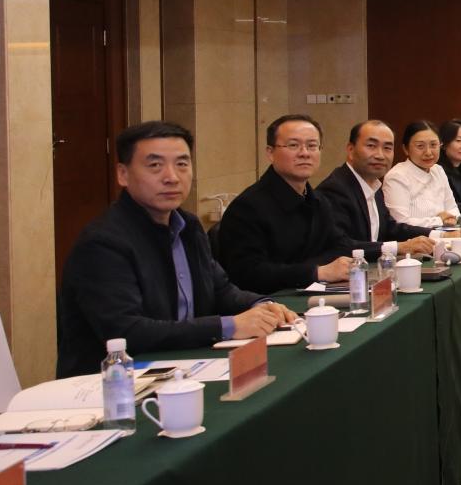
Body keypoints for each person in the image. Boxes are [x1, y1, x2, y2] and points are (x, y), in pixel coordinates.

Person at [56, 121, 296, 376]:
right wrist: (228, 326)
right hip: (116, 385)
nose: (171, 177)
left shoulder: (187, 225)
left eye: (182, 164)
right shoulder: (103, 243)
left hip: (186, 367)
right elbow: (127, 331)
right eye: (155, 166)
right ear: (123, 174)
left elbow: (221, 291)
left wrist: (261, 305)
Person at [213, 114, 356, 293]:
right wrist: (317, 272)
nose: (304, 153)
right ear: (270, 153)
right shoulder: (247, 207)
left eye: (312, 146)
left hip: (312, 295)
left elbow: (339, 246)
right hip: (266, 303)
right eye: (293, 145)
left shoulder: (318, 201)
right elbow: (248, 273)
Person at [315, 120, 436, 257]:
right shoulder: (335, 189)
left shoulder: (373, 184)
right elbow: (340, 246)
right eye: (371, 146)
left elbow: (390, 228)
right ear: (350, 150)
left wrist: (437, 235)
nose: (380, 155)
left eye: (387, 148)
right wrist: (399, 247)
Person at [385, 120, 461, 228]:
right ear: (406, 149)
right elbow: (401, 223)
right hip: (414, 237)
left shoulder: (438, 170)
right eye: (420, 146)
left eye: (433, 145)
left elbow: (453, 209)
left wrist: (450, 218)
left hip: (445, 233)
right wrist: (439, 220)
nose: (428, 152)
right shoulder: (397, 177)